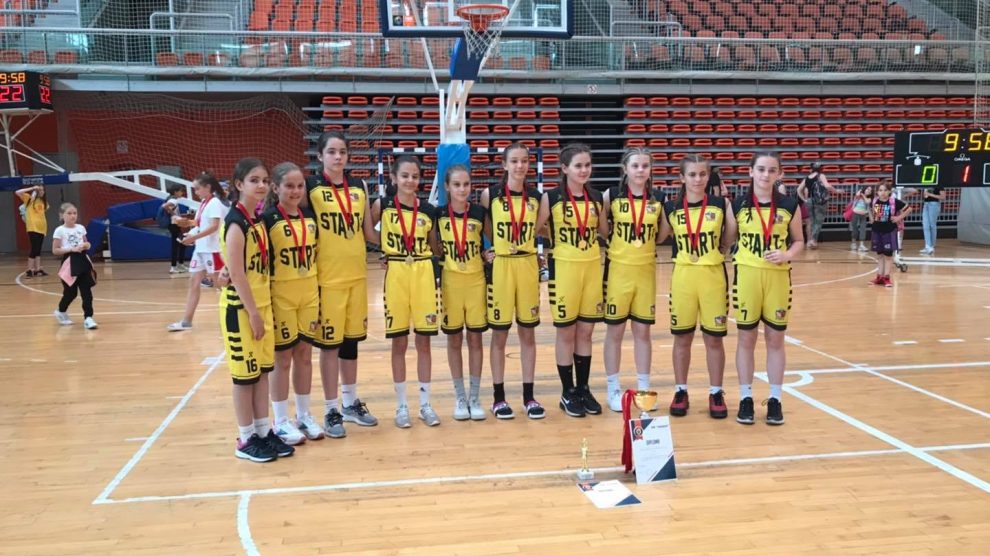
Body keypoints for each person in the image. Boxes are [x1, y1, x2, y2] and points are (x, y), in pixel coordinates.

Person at [306, 130, 379, 438]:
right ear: (320, 155)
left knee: (350, 344)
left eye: (343, 152)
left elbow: (368, 233)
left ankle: (350, 403)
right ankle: (330, 408)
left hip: (357, 278)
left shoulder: (359, 187)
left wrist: (402, 243)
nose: (338, 157)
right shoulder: (311, 187)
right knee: (329, 347)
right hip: (327, 279)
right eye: (332, 152)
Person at [221, 158, 293, 462]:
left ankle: (263, 432)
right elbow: (237, 274)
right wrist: (252, 313)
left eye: (264, 180)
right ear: (239, 184)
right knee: (244, 378)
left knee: (263, 372)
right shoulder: (235, 222)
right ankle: (245, 437)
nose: (261, 185)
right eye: (254, 180)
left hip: (262, 305)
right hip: (242, 309)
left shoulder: (258, 221)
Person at [660, 154, 737, 419]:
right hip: (683, 276)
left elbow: (730, 234)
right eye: (692, 174)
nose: (697, 179)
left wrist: (722, 248)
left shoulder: (721, 204)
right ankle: (680, 390)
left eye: (702, 174)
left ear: (708, 176)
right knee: (682, 337)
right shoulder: (671, 208)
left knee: (713, 338)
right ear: (682, 177)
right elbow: (661, 235)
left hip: (713, 276)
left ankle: (716, 392)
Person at [732, 152, 804, 425]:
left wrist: (787, 254)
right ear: (750, 171)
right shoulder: (737, 205)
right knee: (746, 340)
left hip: (777, 279)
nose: (765, 174)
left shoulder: (789, 205)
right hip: (746, 277)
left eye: (772, 170)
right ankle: (746, 398)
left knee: (775, 340)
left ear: (779, 174)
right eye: (761, 169)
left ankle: (775, 399)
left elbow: (799, 240)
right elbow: (728, 238)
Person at [371, 155, 442, 428]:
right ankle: (401, 406)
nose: (410, 180)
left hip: (423, 273)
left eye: (415, 176)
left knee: (424, 342)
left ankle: (425, 404)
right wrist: (385, 249)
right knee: (399, 342)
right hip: (397, 273)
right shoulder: (383, 205)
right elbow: (366, 230)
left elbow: (435, 246)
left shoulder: (428, 210)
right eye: (405, 176)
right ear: (393, 177)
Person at [480, 142, 546, 419]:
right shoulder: (490, 195)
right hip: (502, 266)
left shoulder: (538, 197)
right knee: (500, 334)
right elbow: (485, 229)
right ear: (504, 164)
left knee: (528, 334)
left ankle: (529, 397)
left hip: (527, 265)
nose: (520, 166)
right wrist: (490, 251)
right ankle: (499, 398)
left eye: (524, 161)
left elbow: (540, 228)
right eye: (514, 161)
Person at [539, 143, 604, 418]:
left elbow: (604, 230)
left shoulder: (597, 197)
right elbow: (536, 227)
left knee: (586, 332)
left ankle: (583, 388)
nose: (584, 170)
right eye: (578, 166)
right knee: (566, 332)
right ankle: (567, 392)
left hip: (591, 267)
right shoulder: (552, 197)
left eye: (587, 165)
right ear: (565, 168)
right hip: (564, 268)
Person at [600, 147, 665, 412]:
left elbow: (662, 234)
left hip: (645, 272)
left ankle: (644, 389)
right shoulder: (611, 196)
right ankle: (612, 388)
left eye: (645, 166)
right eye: (635, 165)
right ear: (625, 169)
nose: (640, 170)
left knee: (642, 333)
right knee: (614, 332)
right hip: (618, 271)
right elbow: (603, 228)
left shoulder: (658, 199)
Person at [263, 162, 323, 445]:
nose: (296, 191)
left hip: (309, 292)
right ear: (275, 188)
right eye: (289, 186)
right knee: (283, 359)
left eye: (300, 186)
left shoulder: (310, 217)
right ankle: (280, 419)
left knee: (305, 356)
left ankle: (303, 414)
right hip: (281, 294)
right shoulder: (268, 219)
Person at [436, 165, 488, 420]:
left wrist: (487, 254)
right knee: (454, 340)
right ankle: (460, 397)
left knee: (475, 340)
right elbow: (434, 246)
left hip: (476, 281)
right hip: (450, 283)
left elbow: (493, 241)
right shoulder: (438, 215)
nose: (462, 189)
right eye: (456, 184)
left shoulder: (479, 213)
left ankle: (474, 397)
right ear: (447, 187)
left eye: (466, 184)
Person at [167, 173, 229, 331]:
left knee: (221, 285)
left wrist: (194, 237)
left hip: (212, 250)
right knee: (193, 282)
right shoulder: (203, 203)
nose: (195, 192)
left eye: (197, 188)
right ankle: (186, 321)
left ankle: (241, 312)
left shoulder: (215, 202)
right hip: (200, 249)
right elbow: (200, 223)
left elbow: (214, 226)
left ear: (208, 187)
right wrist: (188, 227)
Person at [52, 202, 98, 330]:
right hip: (69, 262)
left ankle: (88, 318)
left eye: (75, 213)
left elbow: (86, 242)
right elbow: (55, 250)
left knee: (86, 291)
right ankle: (61, 311)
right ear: (62, 215)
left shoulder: (81, 228)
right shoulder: (59, 230)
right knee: (70, 293)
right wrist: (71, 249)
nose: (73, 216)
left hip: (83, 260)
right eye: (69, 213)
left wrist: (86, 245)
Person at [869, 181, 912, 287]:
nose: (883, 192)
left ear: (889, 191)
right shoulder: (874, 201)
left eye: (885, 190)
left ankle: (887, 277)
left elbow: (909, 209)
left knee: (888, 256)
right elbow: (869, 209)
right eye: (880, 190)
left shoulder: (894, 202)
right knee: (879, 255)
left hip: (889, 231)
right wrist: (871, 219)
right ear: (877, 192)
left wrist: (898, 218)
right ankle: (879, 277)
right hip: (877, 230)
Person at [797, 162, 840, 249]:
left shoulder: (807, 178)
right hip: (819, 201)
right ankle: (813, 240)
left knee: (812, 222)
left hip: (809, 201)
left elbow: (799, 189)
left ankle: (812, 241)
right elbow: (827, 186)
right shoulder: (821, 175)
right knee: (818, 222)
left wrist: (804, 199)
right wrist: (836, 191)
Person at [16, 184, 49, 278]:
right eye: (39, 190)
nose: (41, 192)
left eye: (42, 190)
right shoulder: (29, 199)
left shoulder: (44, 202)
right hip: (33, 228)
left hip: (42, 228)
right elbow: (17, 192)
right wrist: (32, 188)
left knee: (38, 250)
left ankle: (38, 269)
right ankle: (29, 270)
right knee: (34, 248)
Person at [159, 183, 190, 274]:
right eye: (181, 191)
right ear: (175, 192)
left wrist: (175, 215)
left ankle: (180, 264)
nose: (182, 193)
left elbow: (166, 207)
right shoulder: (173, 200)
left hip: (174, 225)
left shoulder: (170, 199)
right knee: (177, 245)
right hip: (173, 225)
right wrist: (174, 215)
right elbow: (165, 206)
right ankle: (174, 267)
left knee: (182, 243)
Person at [920, 185, 944, 255]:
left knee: (932, 225)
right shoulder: (926, 184)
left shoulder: (939, 184)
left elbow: (943, 197)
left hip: (934, 204)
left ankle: (932, 245)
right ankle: (927, 246)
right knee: (925, 225)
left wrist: (930, 194)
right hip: (926, 204)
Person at [850, 185, 873, 252]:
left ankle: (861, 245)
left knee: (863, 229)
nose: (869, 191)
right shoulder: (858, 196)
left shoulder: (869, 199)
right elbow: (857, 195)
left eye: (870, 190)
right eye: (868, 189)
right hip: (855, 214)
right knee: (855, 229)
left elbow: (867, 202)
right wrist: (861, 191)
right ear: (864, 189)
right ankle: (853, 243)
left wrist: (863, 195)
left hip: (863, 215)